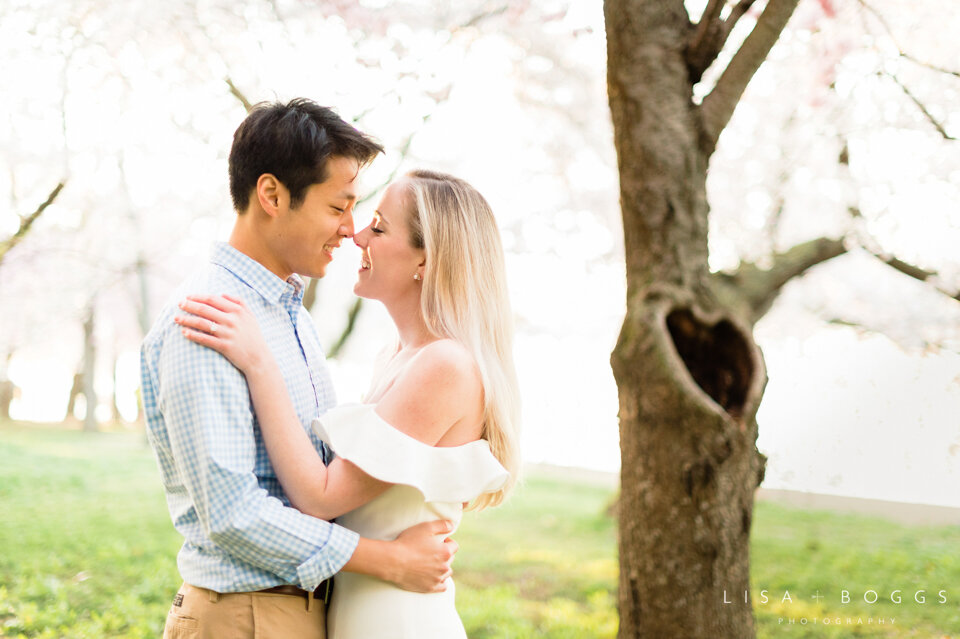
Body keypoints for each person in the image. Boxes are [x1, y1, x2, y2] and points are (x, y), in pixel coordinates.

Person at [140, 100, 460, 639]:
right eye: (338, 208)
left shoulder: (287, 312)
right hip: (244, 614)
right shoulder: (206, 318)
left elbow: (319, 468)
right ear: (272, 196)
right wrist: (387, 560)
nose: (350, 231)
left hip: (294, 610)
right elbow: (232, 513)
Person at [175, 169, 521, 638]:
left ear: (426, 260)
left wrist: (260, 363)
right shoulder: (397, 358)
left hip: (397, 622)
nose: (356, 235)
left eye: (378, 227)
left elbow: (320, 497)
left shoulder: (445, 366)